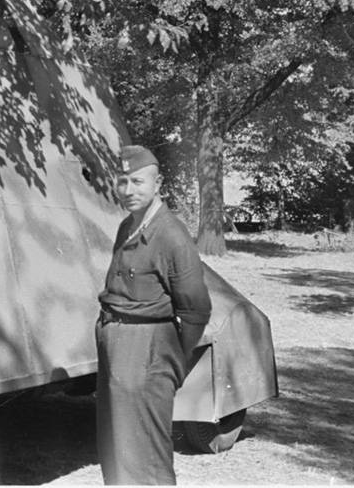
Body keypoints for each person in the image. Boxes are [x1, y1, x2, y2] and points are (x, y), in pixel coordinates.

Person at [95, 145, 212, 485]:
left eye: (138, 181)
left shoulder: (171, 235)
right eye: (122, 181)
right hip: (117, 347)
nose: (129, 190)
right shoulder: (126, 227)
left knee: (147, 455)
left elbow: (196, 310)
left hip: (148, 351)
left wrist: (171, 364)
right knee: (118, 448)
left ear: (158, 182)